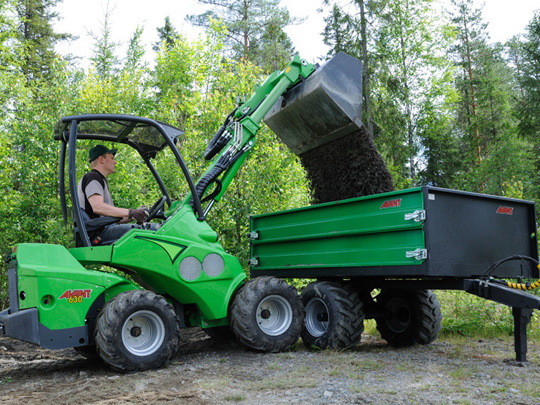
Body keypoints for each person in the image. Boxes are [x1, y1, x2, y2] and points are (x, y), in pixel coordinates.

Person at [77, 145, 149, 243]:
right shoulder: (93, 177)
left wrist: (135, 215)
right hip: (100, 233)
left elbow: (112, 218)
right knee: (152, 230)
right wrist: (130, 212)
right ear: (101, 159)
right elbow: (97, 207)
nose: (115, 162)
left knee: (147, 229)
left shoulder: (100, 179)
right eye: (112, 158)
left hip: (103, 229)